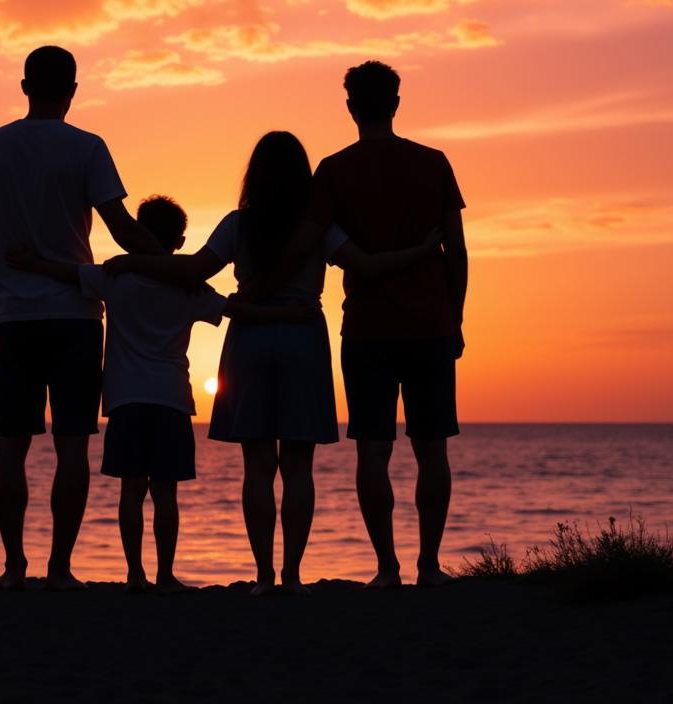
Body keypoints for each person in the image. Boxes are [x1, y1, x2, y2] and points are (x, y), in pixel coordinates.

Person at [105, 132, 440, 595]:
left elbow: (193, 270)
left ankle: (264, 576)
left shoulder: (238, 224)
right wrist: (423, 251)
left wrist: (132, 262)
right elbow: (366, 266)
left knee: (258, 465)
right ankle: (293, 577)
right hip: (303, 336)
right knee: (298, 467)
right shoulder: (319, 226)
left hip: (250, 342)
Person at [6, 194, 318, 594]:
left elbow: (68, 273)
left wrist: (31, 264)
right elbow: (236, 310)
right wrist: (288, 315)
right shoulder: (189, 289)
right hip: (170, 400)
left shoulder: (115, 278)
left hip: (125, 401)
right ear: (181, 242)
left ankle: (135, 574)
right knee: (165, 493)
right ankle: (165, 575)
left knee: (131, 490)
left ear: (136, 234)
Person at [0, 45, 165, 592]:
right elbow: (122, 228)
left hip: (12, 317)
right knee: (72, 443)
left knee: (12, 442)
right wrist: (172, 264)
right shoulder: (87, 148)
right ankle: (59, 567)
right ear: (72, 91)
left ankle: (12, 566)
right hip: (74, 315)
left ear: (25, 86)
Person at [305, 61, 468, 589]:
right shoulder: (434, 163)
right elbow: (457, 250)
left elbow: (324, 247)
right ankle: (429, 565)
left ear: (351, 106)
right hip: (430, 324)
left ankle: (386, 568)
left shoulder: (331, 171)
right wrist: (456, 316)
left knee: (372, 448)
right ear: (396, 103)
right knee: (432, 448)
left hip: (368, 328)